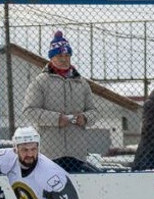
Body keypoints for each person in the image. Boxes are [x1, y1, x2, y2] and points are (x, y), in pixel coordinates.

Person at [20, 30, 98, 162]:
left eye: (67, 55)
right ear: (51, 58)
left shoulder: (81, 82)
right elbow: (29, 111)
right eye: (59, 56)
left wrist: (85, 118)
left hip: (77, 152)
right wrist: (56, 119)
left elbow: (93, 111)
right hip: (50, 153)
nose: (64, 59)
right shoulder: (40, 81)